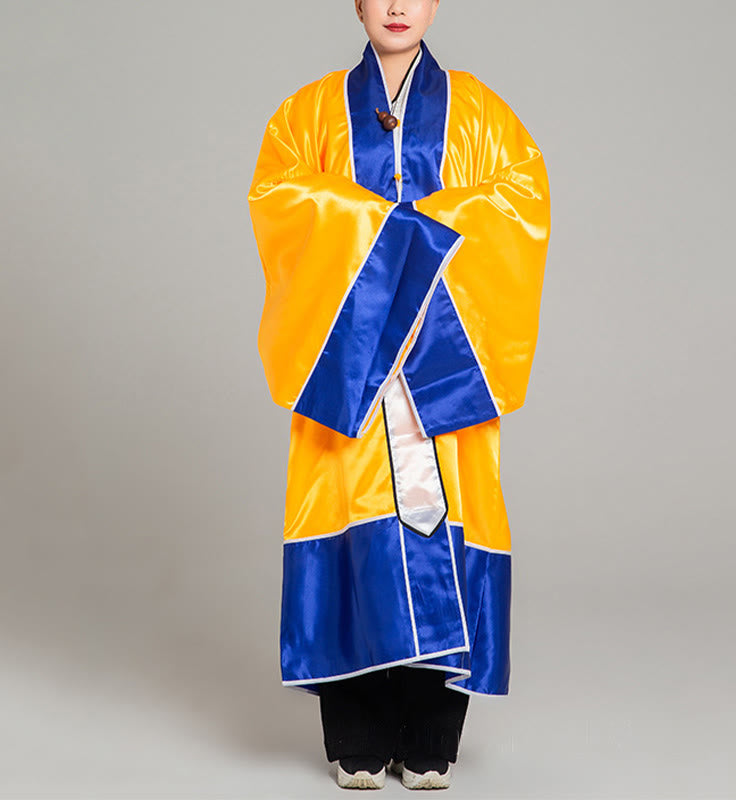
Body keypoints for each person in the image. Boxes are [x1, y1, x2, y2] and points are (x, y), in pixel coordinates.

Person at [247, 0, 551, 790]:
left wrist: (413, 236)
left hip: (443, 358)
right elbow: (280, 200)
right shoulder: (307, 113)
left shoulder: (480, 111)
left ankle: (429, 735)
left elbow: (521, 201)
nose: (396, 6)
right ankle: (356, 731)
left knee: (442, 526)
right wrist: (385, 236)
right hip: (352, 363)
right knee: (350, 520)